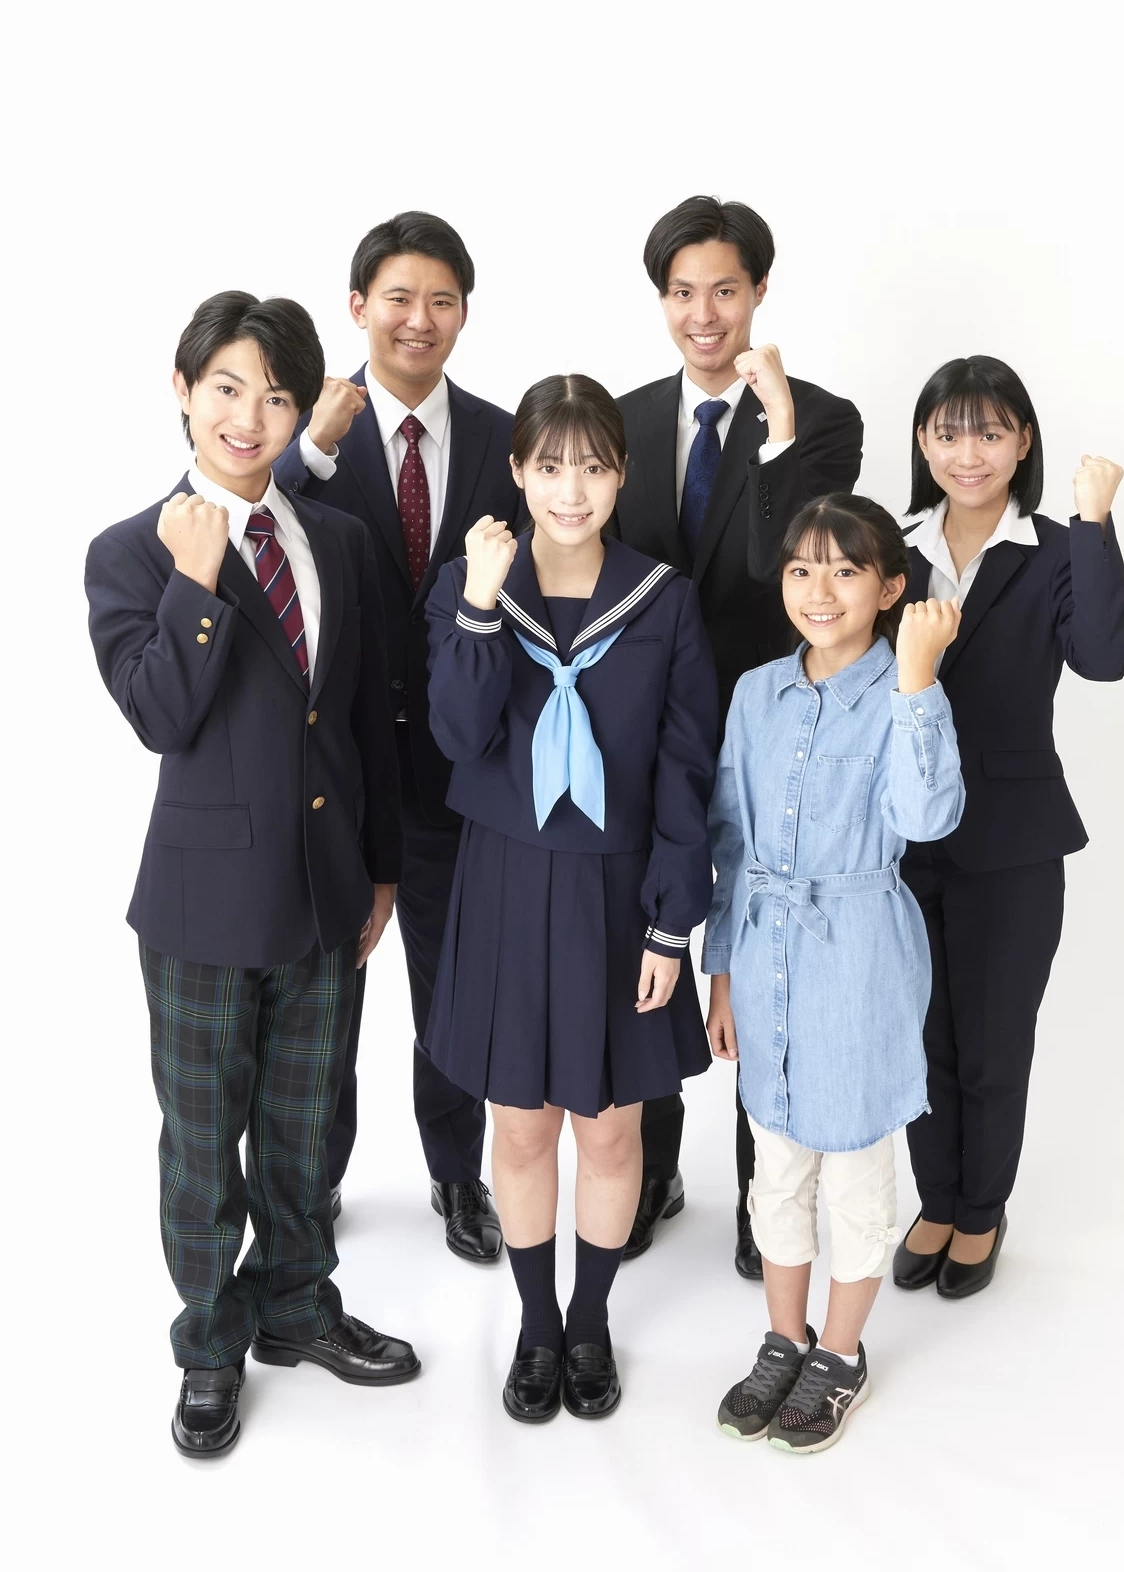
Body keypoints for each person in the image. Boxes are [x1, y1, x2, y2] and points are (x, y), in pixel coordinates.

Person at [84, 292, 420, 1458]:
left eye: (277, 395)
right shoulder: (131, 551)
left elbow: (367, 719)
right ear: (183, 391)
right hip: (203, 905)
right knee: (201, 1140)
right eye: (227, 387)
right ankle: (209, 1343)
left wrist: (382, 869)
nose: (250, 415)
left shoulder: (341, 541)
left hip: (329, 892)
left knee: (303, 1126)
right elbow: (158, 716)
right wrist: (194, 583)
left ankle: (298, 1306)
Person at [422, 374, 718, 1422]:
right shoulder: (472, 587)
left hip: (618, 893)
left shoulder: (663, 599)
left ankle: (589, 1321)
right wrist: (476, 602)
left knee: (610, 1132)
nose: (571, 489)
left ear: (621, 474)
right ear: (517, 471)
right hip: (505, 884)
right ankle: (537, 1324)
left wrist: (670, 925)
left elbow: (688, 772)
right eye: (549, 466)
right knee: (520, 1130)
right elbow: (457, 735)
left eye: (593, 466)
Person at [613, 194, 864, 1276]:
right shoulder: (620, 421)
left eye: (724, 289)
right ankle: (652, 1170)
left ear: (760, 290)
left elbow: (779, 560)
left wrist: (779, 425)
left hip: (777, 730)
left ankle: (771, 1199)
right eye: (682, 292)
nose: (703, 314)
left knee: (769, 955)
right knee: (652, 940)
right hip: (646, 731)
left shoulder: (824, 420)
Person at [275, 212, 519, 1261]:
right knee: (327, 994)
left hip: (459, 770)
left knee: (453, 985)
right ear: (358, 306)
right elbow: (252, 532)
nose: (420, 319)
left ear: (464, 313)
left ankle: (457, 1174)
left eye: (442, 300)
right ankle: (315, 1178)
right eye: (399, 298)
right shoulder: (300, 440)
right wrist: (313, 447)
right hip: (336, 769)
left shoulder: (507, 438)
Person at [705, 494, 965, 1453]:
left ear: (890, 588)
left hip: (857, 955)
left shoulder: (906, 689)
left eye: (847, 570)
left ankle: (841, 1355)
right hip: (762, 953)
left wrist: (918, 678)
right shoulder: (756, 693)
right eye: (802, 568)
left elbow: (928, 819)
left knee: (854, 1173)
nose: (820, 589)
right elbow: (729, 838)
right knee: (775, 1169)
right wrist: (721, 970)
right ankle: (784, 1339)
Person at [891, 355, 1124, 1298]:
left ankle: (982, 1208)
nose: (969, 454)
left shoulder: (1058, 549)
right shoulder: (894, 545)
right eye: (948, 433)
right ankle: (936, 1199)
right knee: (921, 1038)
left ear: (1022, 441)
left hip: (1014, 839)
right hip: (902, 838)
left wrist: (1096, 522)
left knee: (993, 1042)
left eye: (990, 433)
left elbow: (1102, 658)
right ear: (923, 442)